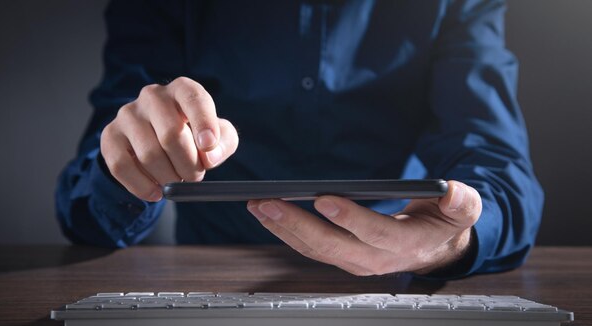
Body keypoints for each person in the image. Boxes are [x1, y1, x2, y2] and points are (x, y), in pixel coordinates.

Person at [56, 0, 543, 278]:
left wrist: (450, 241)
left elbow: (500, 170)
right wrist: (130, 166)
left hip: (401, 283)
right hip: (212, 278)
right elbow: (88, 210)